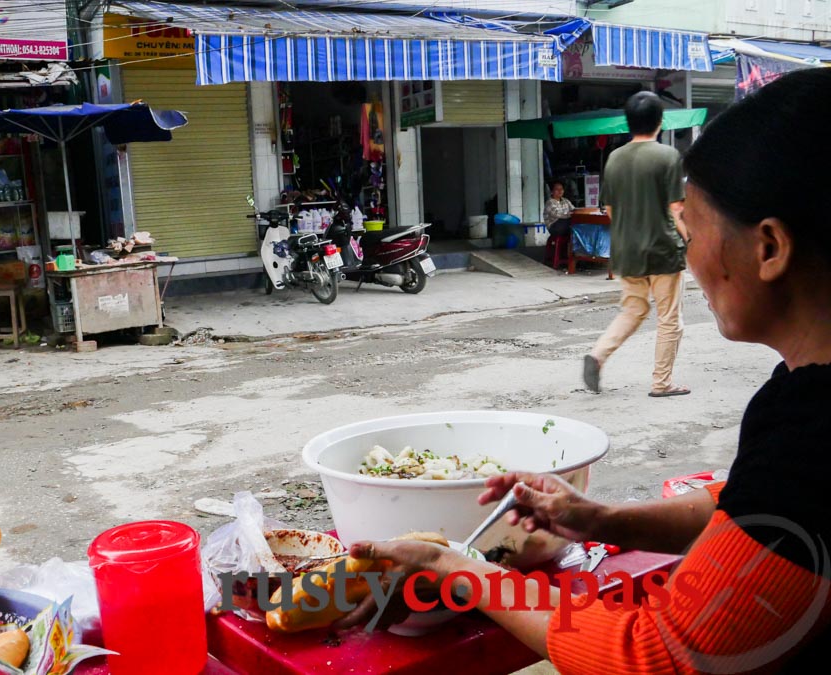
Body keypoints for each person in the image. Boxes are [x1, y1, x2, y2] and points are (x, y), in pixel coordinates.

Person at [337, 68, 831, 673]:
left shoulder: (814, 436)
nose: (693, 252)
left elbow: (654, 656)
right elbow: (746, 510)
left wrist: (458, 568)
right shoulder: (799, 410)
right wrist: (601, 519)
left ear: (770, 248)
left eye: (694, 229)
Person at [583, 91, 690, 397]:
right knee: (670, 318)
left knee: (633, 310)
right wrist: (688, 240)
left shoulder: (615, 158)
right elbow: (676, 210)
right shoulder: (667, 156)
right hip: (662, 249)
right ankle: (662, 382)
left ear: (628, 122)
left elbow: (612, 211)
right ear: (660, 122)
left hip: (626, 250)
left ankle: (598, 355)